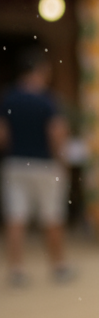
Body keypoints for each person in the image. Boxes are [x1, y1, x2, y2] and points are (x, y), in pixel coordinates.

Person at [0, 49, 72, 286]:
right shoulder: (47, 101)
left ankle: (17, 270)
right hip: (44, 164)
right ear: (40, 70)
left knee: (16, 218)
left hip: (15, 163)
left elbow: (2, 135)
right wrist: (61, 160)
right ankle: (58, 265)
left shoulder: (8, 99)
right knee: (52, 216)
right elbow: (56, 133)